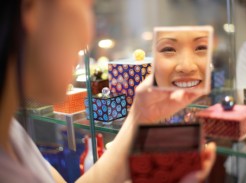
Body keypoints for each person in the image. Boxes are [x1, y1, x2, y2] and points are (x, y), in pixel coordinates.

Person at [0, 0, 216, 182]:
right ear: (30, 7)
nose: (89, 34)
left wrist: (137, 118)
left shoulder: (11, 134)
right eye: (87, 5)